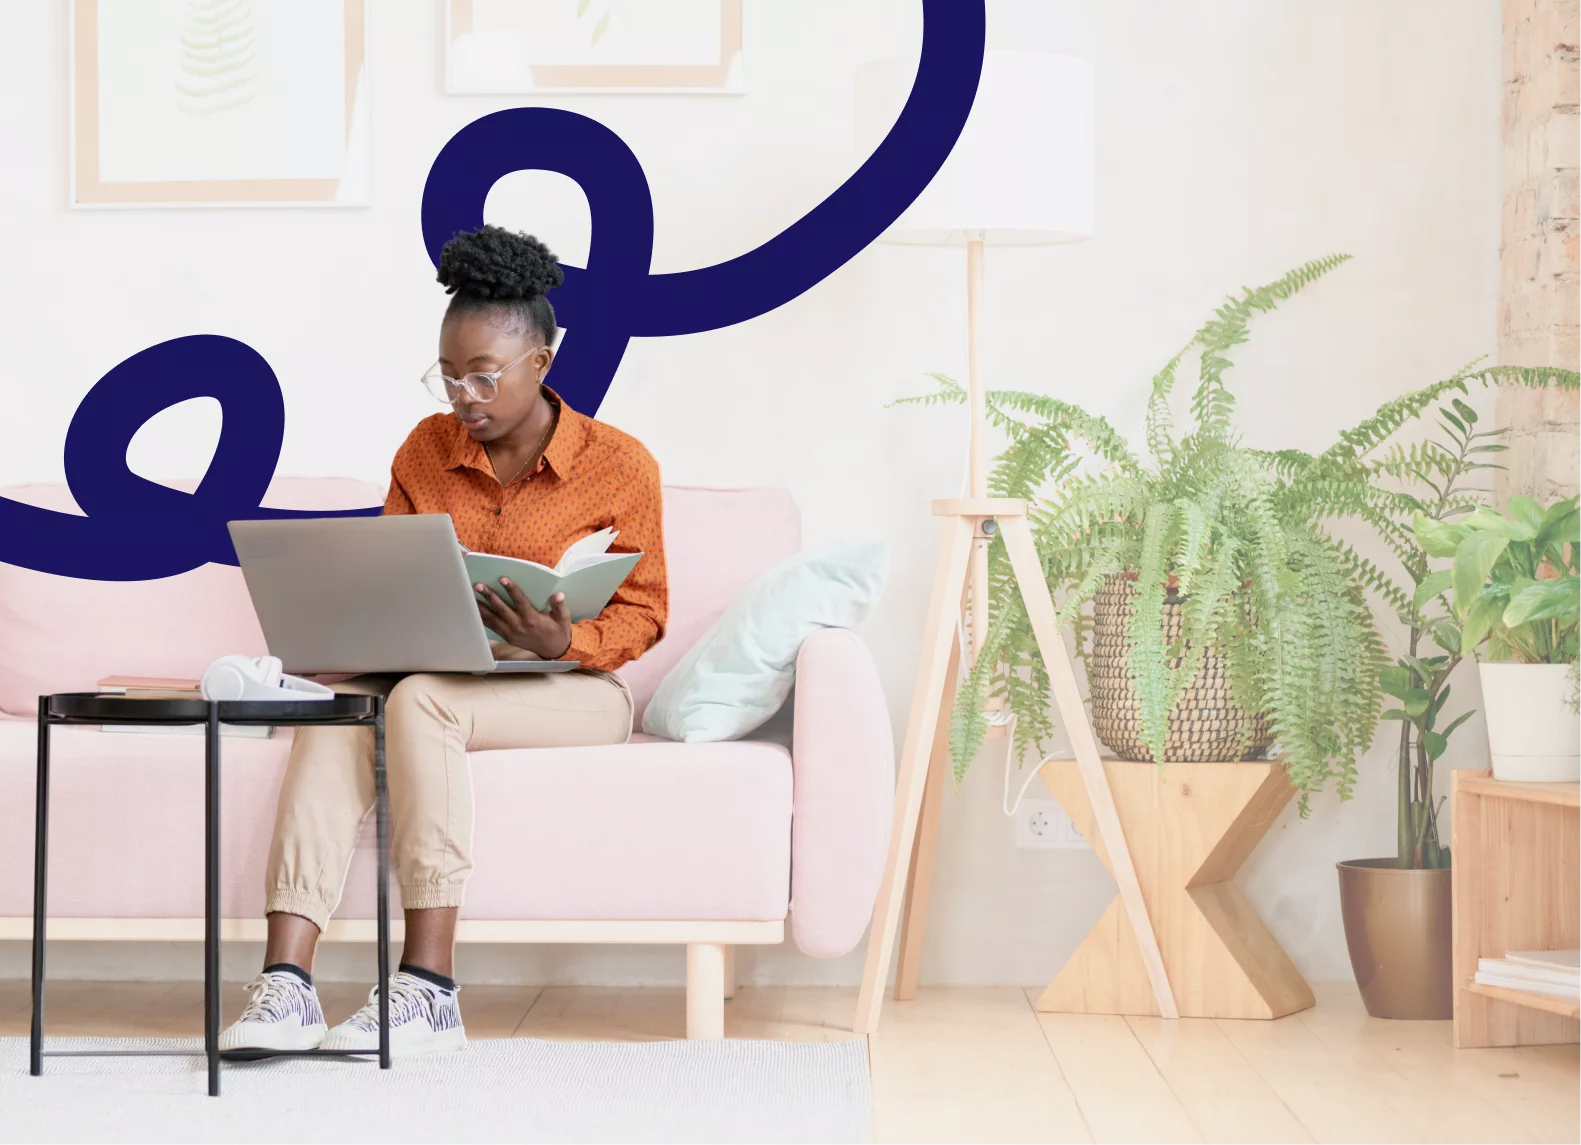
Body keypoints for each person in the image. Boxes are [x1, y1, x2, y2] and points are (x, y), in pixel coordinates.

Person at [219, 225, 668, 1057]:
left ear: (542, 361)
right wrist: (360, 632)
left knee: (420, 701)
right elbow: (399, 576)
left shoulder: (620, 464)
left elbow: (646, 612)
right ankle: (288, 985)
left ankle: (429, 989)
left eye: (484, 375)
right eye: (449, 373)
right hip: (447, 675)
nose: (463, 395)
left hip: (574, 689)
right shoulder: (425, 450)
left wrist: (560, 637)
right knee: (347, 711)